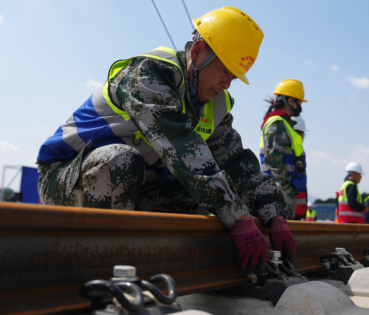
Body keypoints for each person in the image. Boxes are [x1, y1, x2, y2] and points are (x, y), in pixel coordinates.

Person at [36, 6, 296, 272]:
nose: (227, 83)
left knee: (205, 195)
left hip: (135, 184)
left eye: (233, 76)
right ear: (197, 52)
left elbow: (237, 164)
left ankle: (160, 268)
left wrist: (273, 214)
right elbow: (183, 148)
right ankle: (98, 272)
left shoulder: (214, 104)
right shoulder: (149, 75)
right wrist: (238, 218)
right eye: (224, 70)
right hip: (66, 177)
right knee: (123, 159)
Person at [260, 80, 307, 219]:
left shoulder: (284, 123)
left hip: (281, 193)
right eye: (299, 103)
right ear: (291, 100)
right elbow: (273, 161)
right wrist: (285, 191)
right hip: (280, 195)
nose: (300, 108)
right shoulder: (278, 123)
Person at [291, 115, 308, 220]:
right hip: (292, 209)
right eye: (302, 133)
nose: (303, 137)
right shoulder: (295, 152)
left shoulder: (299, 151)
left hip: (296, 210)